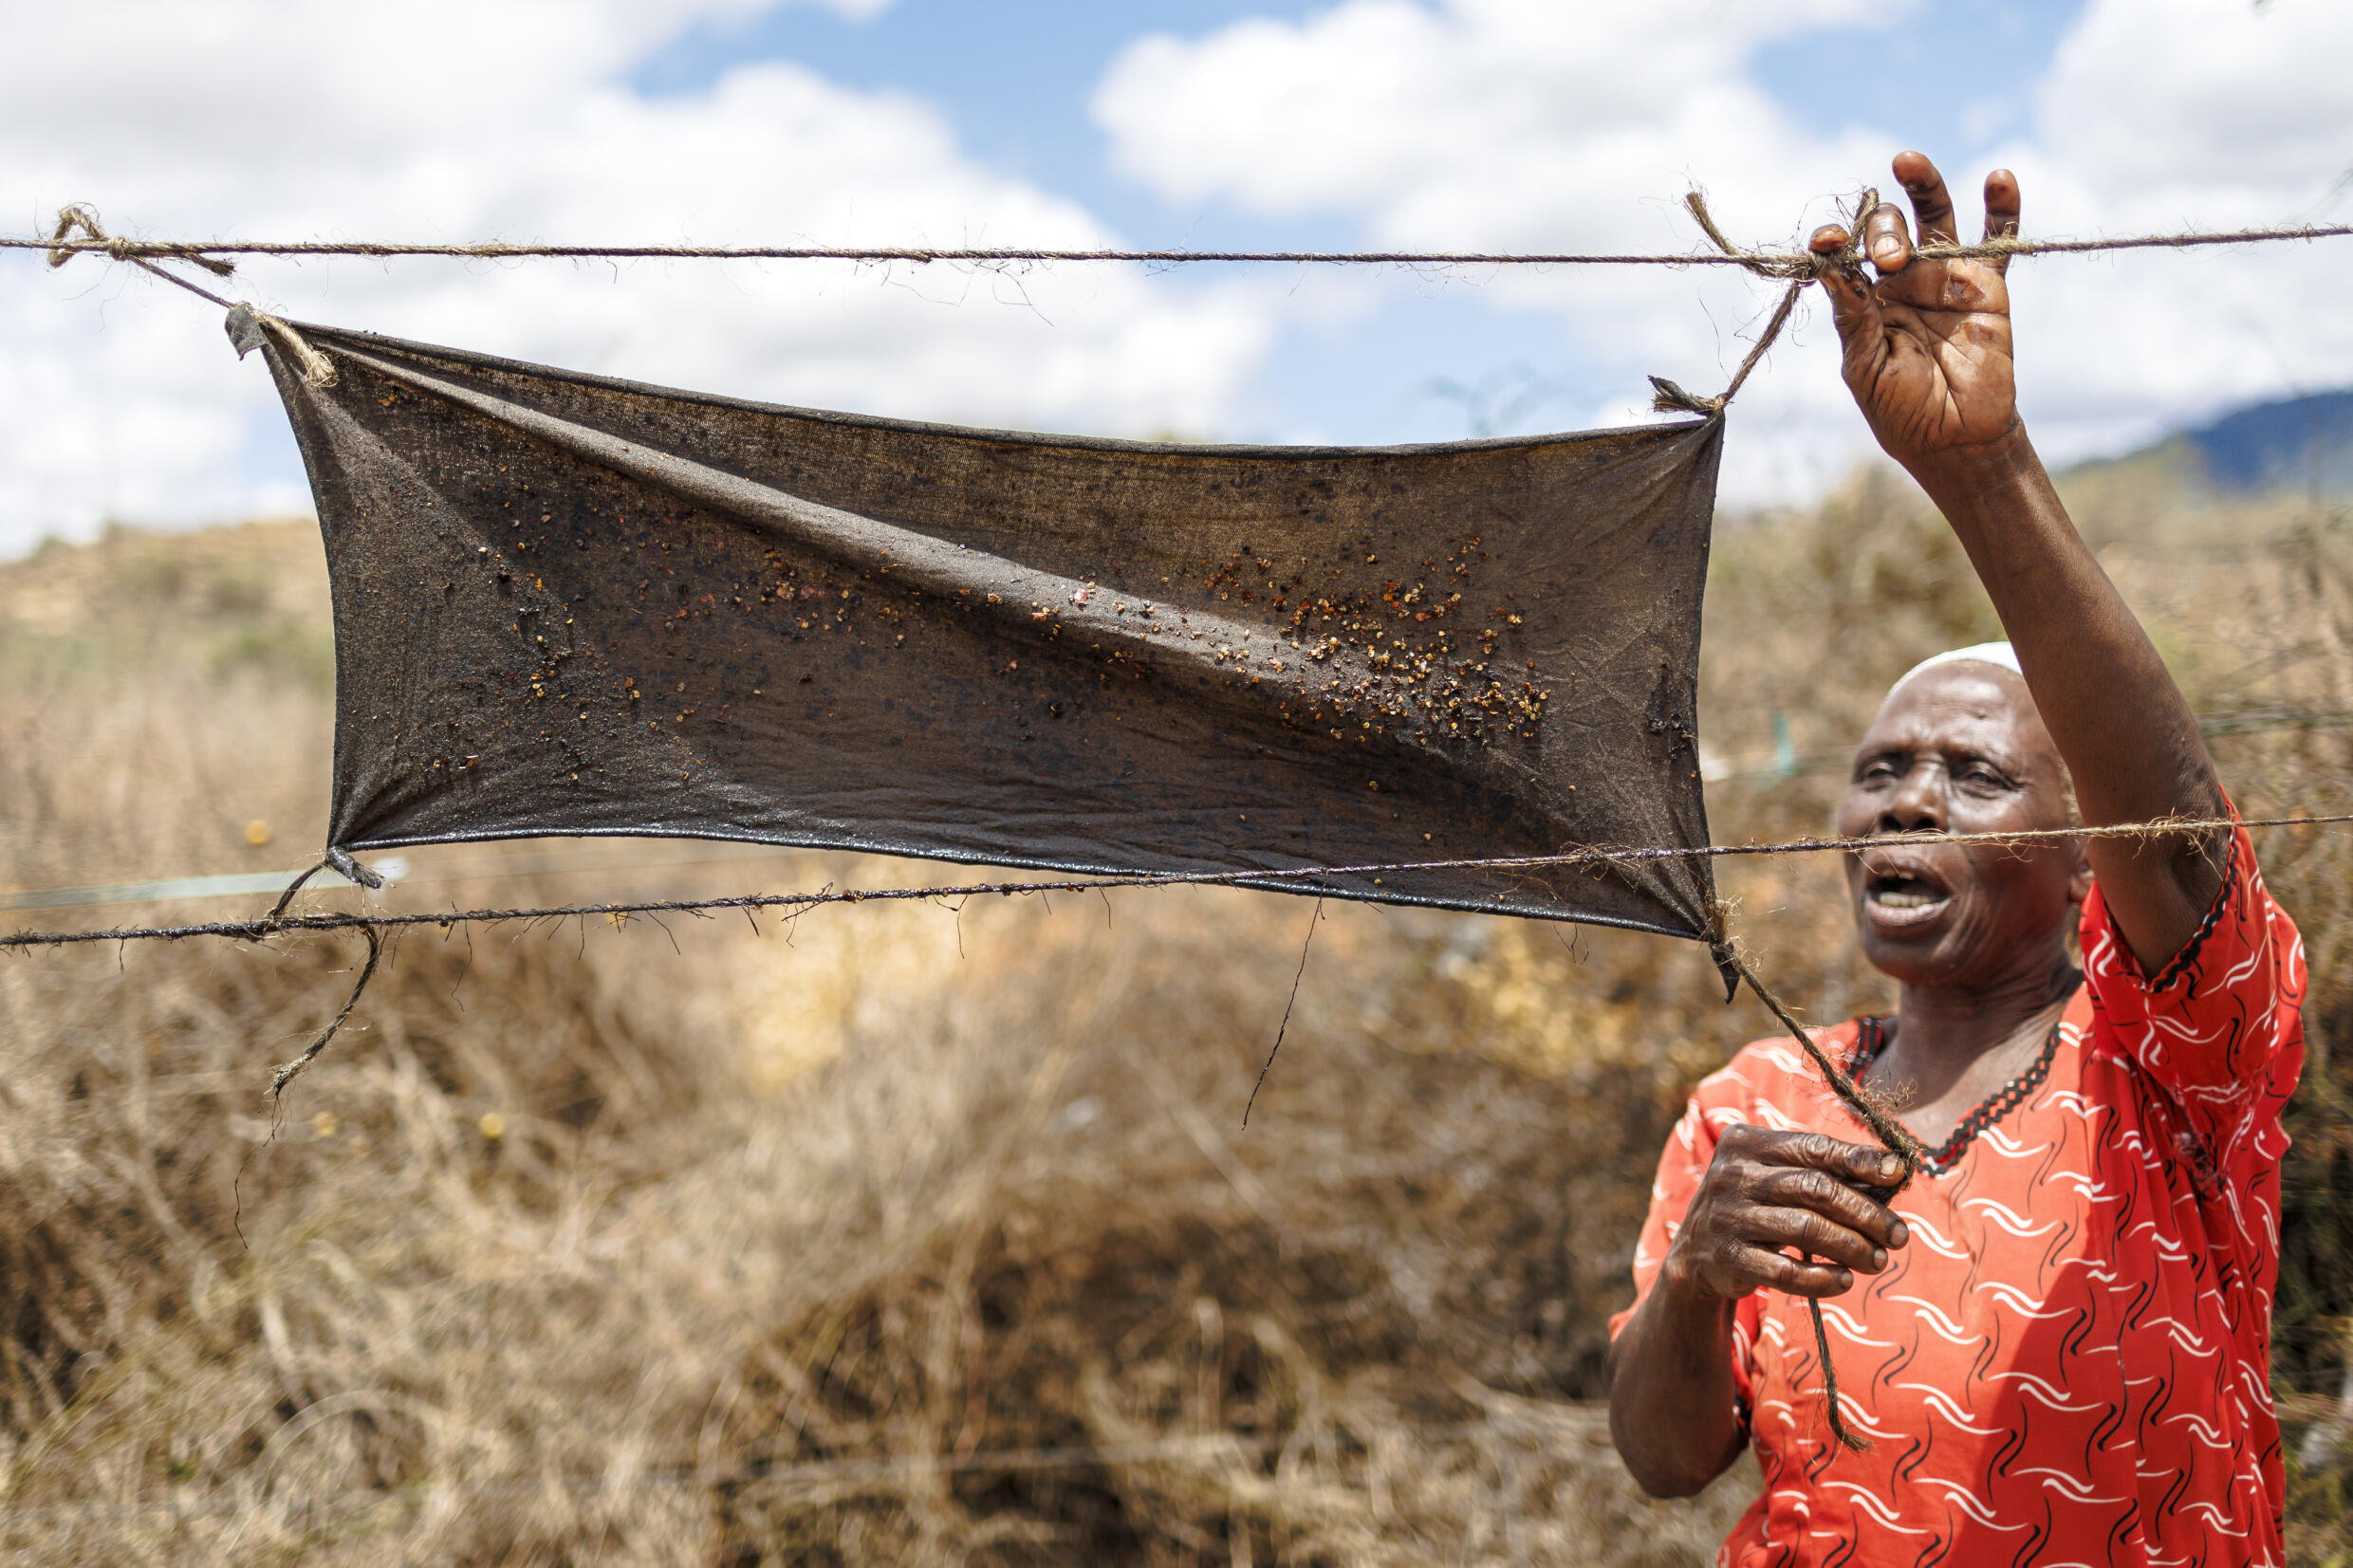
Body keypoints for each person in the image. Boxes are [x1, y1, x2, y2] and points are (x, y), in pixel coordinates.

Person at [1605, 152, 2307, 1563]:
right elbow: (1669, 1457)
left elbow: (2169, 816)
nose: (1908, 801)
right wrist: (1693, 1279)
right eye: (1880, 774)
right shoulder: (1759, 1100)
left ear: (2078, 851)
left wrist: (1982, 469)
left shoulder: (2169, 1059)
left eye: (1976, 774)